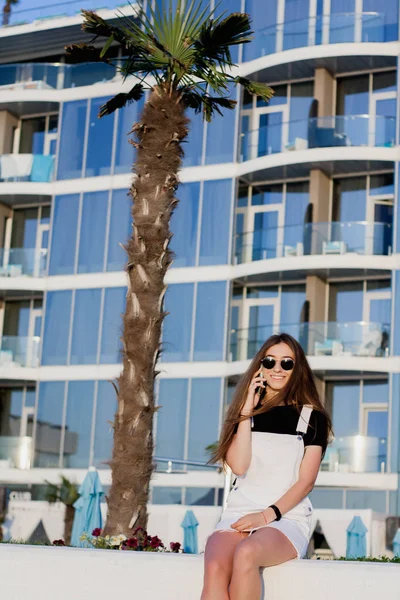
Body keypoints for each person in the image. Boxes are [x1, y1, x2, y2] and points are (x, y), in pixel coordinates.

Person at [201, 333, 332, 600]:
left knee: (247, 553)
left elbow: (306, 481)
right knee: (215, 565)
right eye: (270, 361)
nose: (277, 369)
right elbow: (238, 466)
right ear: (259, 366)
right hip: (239, 511)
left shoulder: (311, 417)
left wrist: (264, 517)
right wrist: (247, 408)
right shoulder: (246, 414)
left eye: (287, 363)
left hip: (285, 518)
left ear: (298, 369)